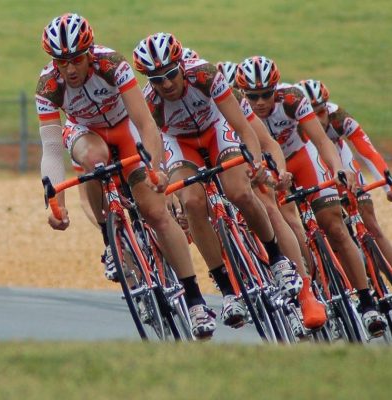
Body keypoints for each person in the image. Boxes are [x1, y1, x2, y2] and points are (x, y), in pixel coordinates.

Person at [36, 14, 215, 338]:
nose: (70, 69)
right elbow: (50, 149)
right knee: (94, 159)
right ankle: (110, 238)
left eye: (76, 59)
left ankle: (195, 300)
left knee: (157, 214)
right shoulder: (48, 85)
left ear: (90, 53)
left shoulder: (111, 65)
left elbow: (147, 124)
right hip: (85, 132)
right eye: (62, 62)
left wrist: (155, 170)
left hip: (124, 128)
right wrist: (55, 202)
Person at [132, 32, 305, 330]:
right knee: (192, 202)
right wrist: (161, 179)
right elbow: (156, 145)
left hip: (216, 129)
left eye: (171, 74)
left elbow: (243, 127)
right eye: (157, 79)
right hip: (179, 141)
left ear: (181, 67)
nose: (166, 84)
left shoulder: (206, 75)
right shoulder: (149, 100)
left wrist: (254, 162)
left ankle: (276, 258)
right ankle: (226, 290)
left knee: (239, 191)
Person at [235, 56, 387, 337]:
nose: (260, 102)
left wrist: (339, 169)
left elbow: (321, 141)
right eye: (252, 96)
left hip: (302, 159)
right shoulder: (237, 109)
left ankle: (367, 302)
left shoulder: (291, 99)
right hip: (267, 168)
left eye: (266, 94)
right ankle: (308, 287)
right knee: (283, 220)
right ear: (243, 94)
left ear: (276, 89)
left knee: (334, 226)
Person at [295, 79, 392, 280]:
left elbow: (367, 150)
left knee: (370, 222)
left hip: (341, 162)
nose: (318, 119)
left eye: (320, 112)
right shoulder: (292, 124)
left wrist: (387, 184)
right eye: (311, 113)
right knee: (327, 226)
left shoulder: (338, 117)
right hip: (313, 169)